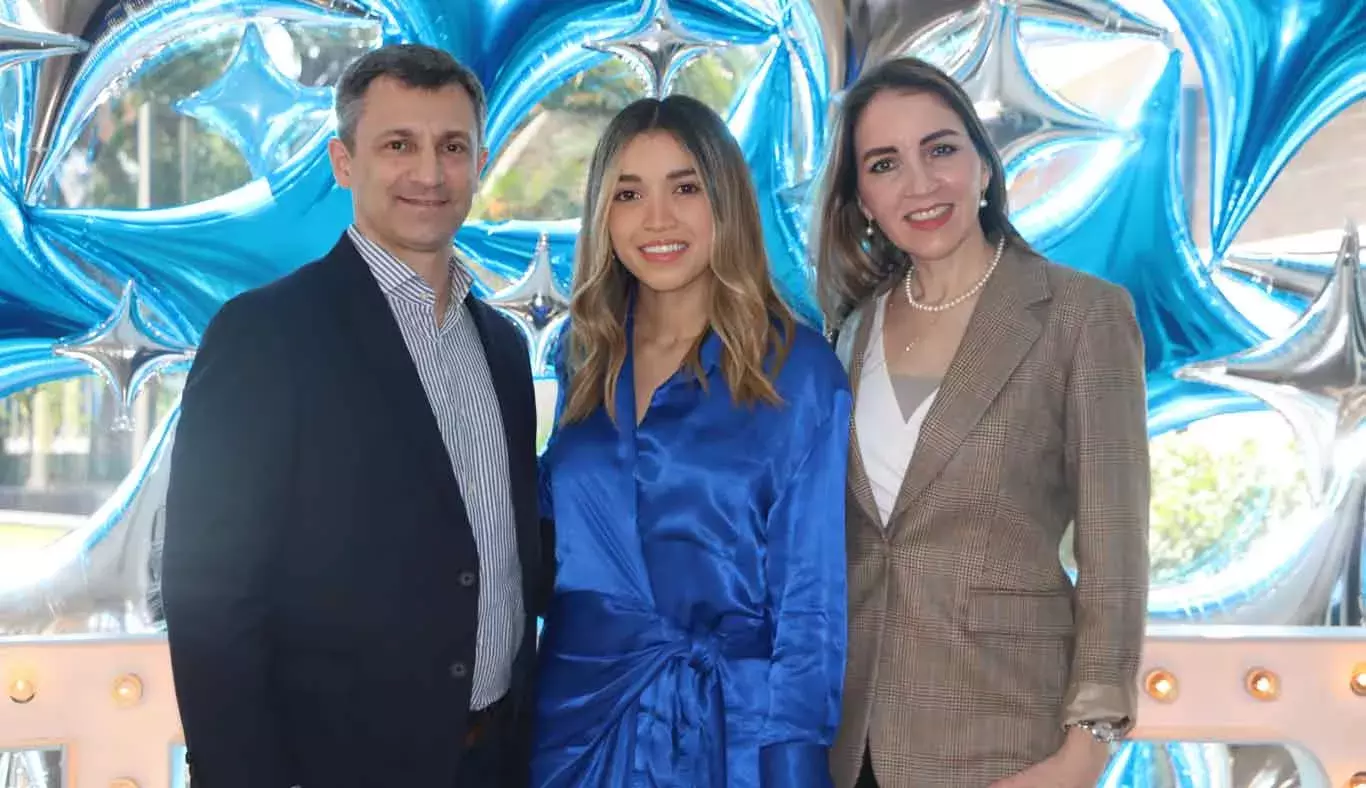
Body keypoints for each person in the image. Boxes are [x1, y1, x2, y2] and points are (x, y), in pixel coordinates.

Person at [160, 43, 550, 788]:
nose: (429, 173)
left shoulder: (501, 346)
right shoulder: (265, 336)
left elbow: (496, 549)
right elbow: (210, 604)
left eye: (452, 146)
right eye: (398, 144)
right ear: (344, 162)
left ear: (480, 161)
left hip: (498, 760)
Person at [813, 56, 1150, 788]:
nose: (920, 183)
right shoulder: (848, 334)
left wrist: (1086, 747)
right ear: (862, 199)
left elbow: (1115, 554)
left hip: (1010, 742)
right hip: (854, 744)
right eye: (884, 164)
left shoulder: (1082, 315)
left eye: (940, 149)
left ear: (984, 166)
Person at [529, 95, 851, 788]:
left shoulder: (799, 373)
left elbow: (811, 609)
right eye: (628, 193)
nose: (657, 219)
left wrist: (793, 770)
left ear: (726, 200)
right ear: (602, 214)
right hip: (571, 728)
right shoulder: (581, 353)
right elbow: (547, 537)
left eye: (685, 188)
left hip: (729, 740)